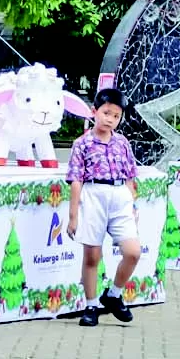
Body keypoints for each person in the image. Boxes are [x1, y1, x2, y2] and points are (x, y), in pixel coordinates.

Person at [62, 89, 141, 329]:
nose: (110, 119)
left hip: (120, 195)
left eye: (116, 116)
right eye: (106, 113)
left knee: (132, 252)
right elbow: (76, 180)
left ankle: (114, 294)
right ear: (94, 111)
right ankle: (91, 305)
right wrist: (73, 216)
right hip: (93, 195)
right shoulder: (82, 144)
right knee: (92, 255)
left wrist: (132, 204)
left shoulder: (122, 143)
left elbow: (130, 176)